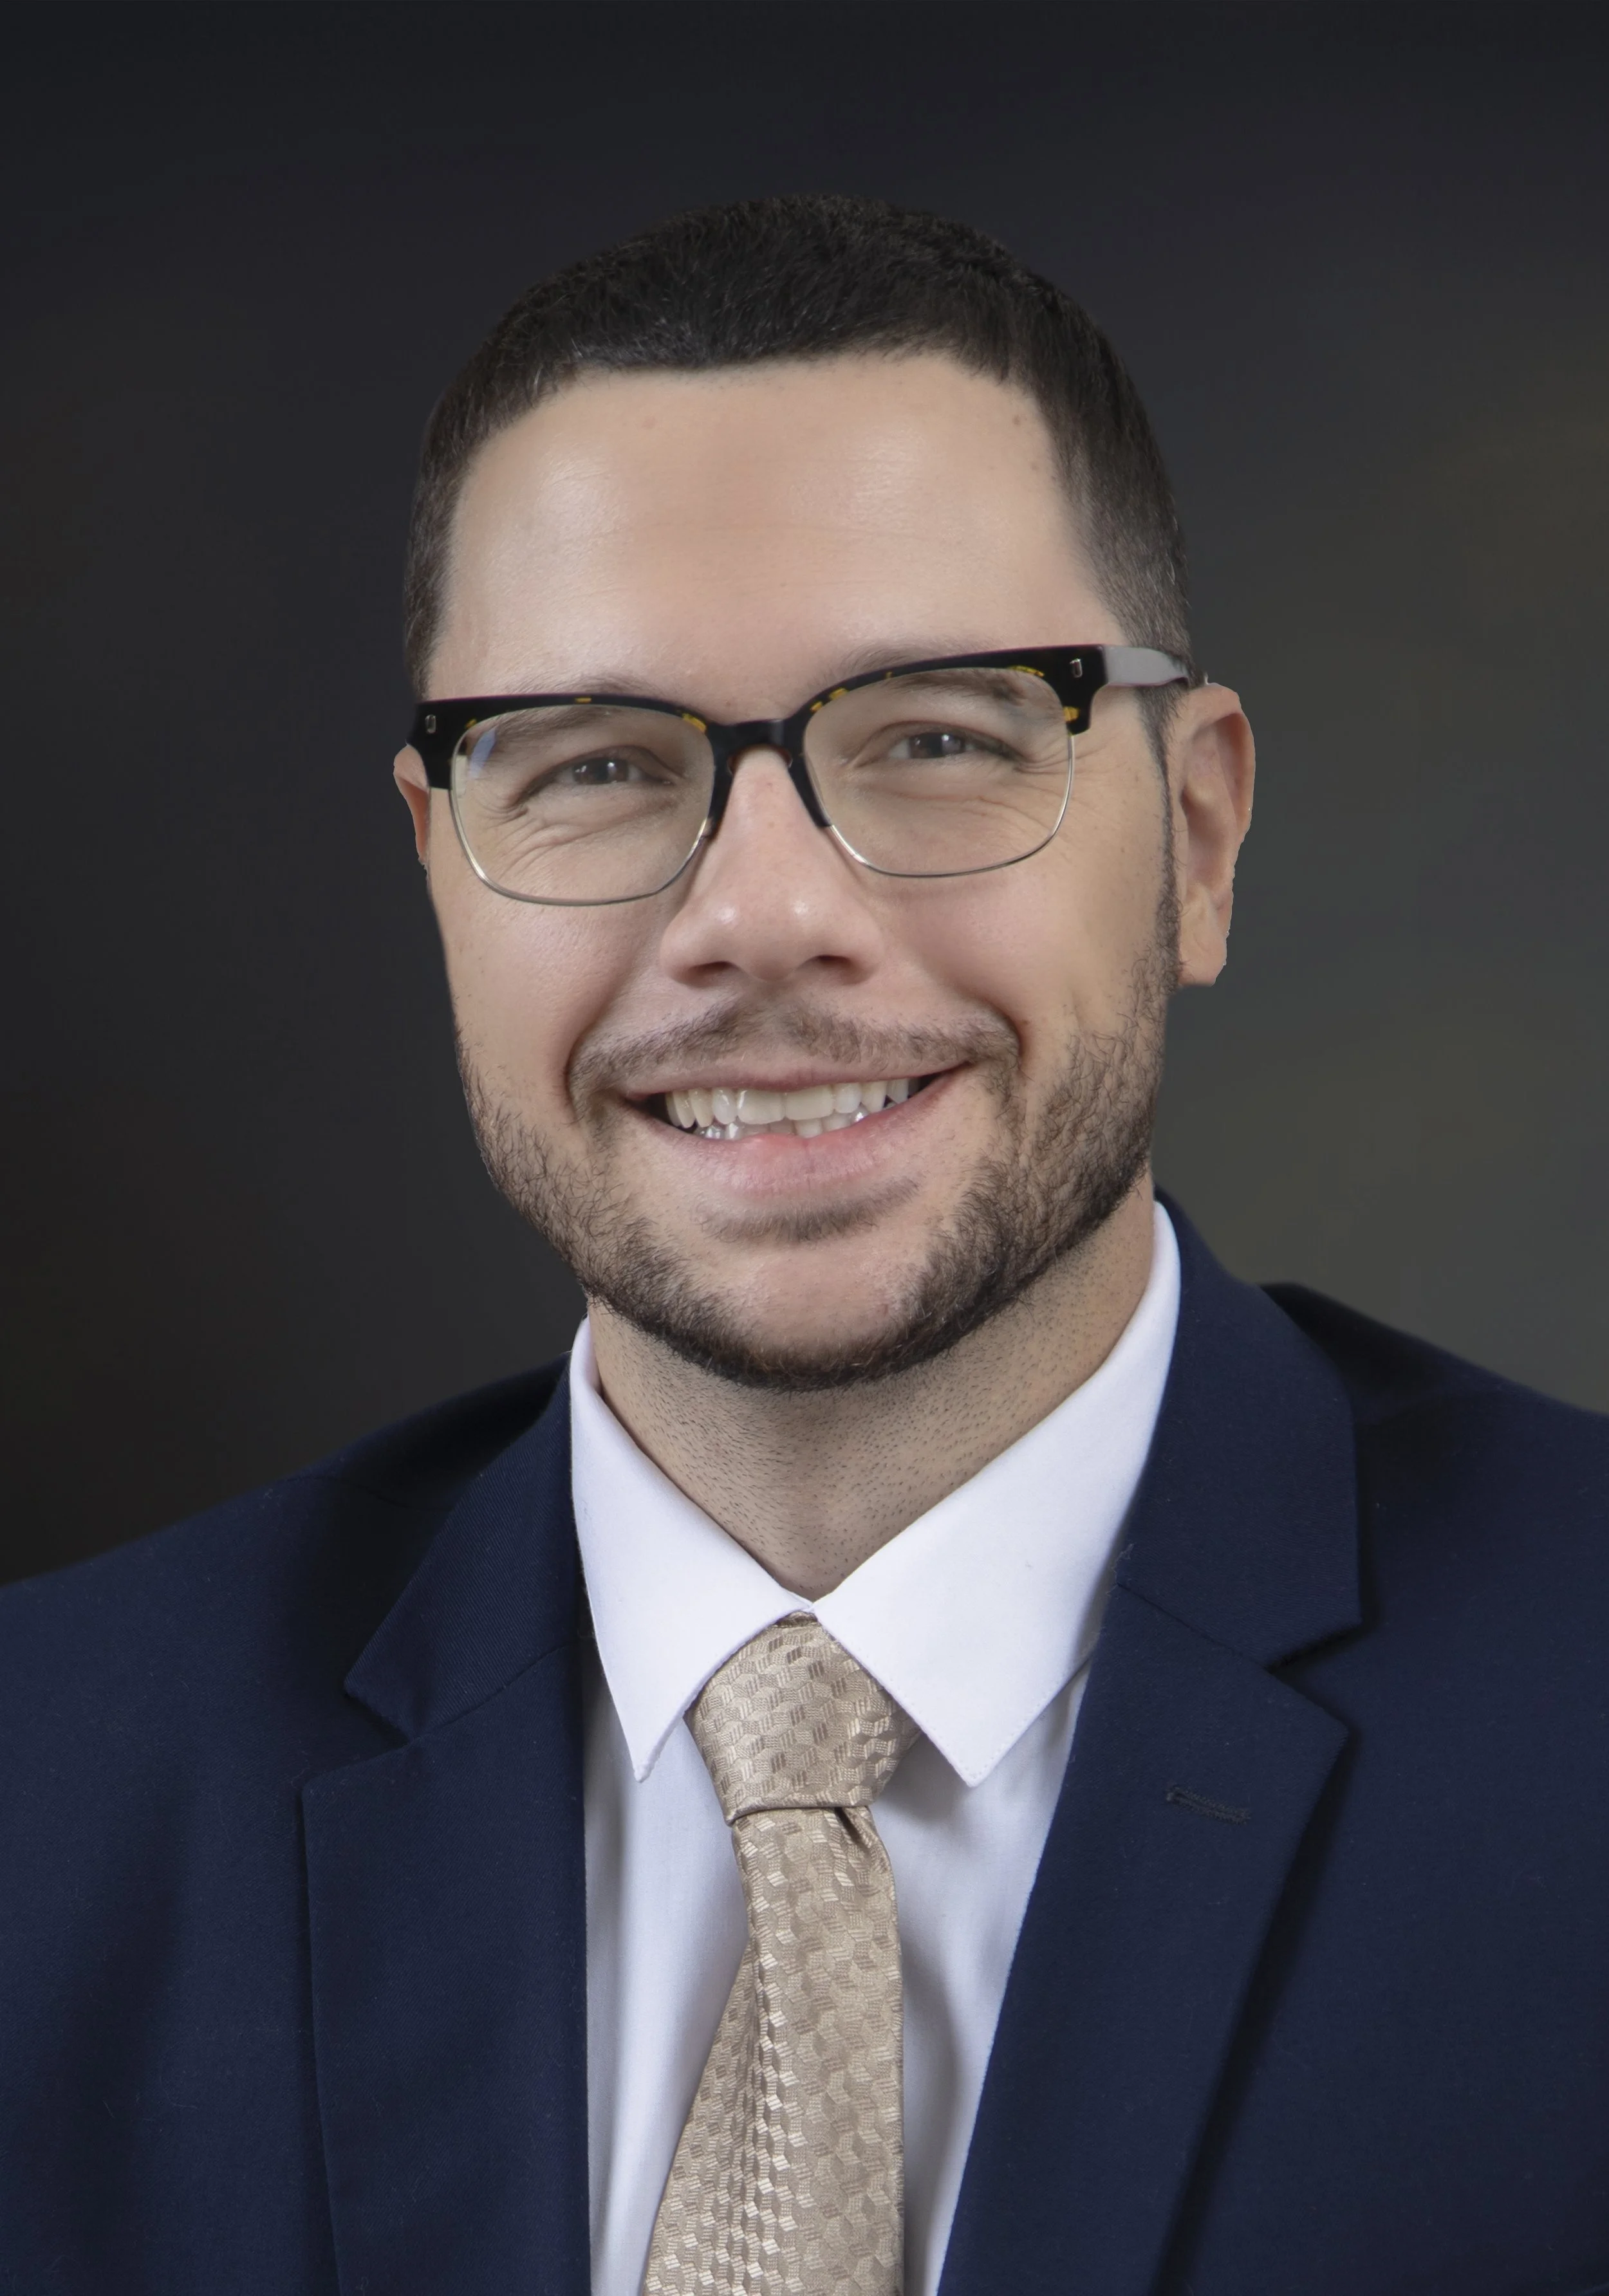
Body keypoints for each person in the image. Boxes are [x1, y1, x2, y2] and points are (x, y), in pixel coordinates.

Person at [3, 194, 1606, 2296]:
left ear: (1198, 840)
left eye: (936, 739)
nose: (760, 920)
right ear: (441, 870)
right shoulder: (44, 1801)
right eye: (592, 766)